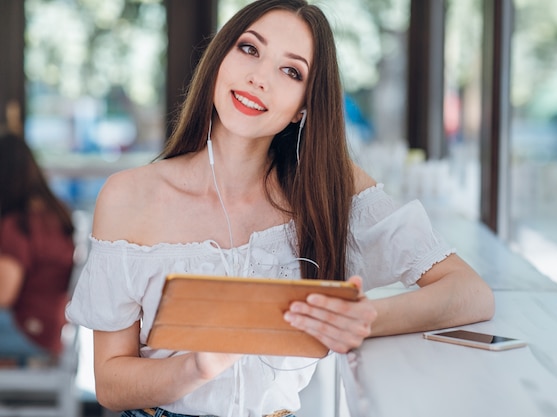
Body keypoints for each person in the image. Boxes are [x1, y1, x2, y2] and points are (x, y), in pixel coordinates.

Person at [66, 1, 495, 416]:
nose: (259, 78)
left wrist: (364, 319)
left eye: (290, 71)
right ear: (219, 59)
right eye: (249, 49)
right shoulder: (128, 195)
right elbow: (110, 383)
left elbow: (470, 294)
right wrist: (196, 367)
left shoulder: (330, 190)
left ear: (304, 106)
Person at [0, 131, 75, 367]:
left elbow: (3, 296)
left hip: (28, 332)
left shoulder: (18, 225)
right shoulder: (56, 215)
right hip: (51, 330)